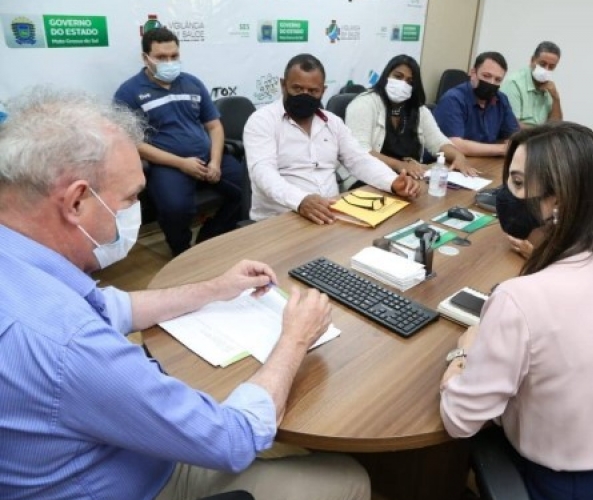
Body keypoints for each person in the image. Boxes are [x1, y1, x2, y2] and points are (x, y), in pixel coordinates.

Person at [0, 87, 370, 499]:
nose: (130, 215)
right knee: (348, 476)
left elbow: (112, 307)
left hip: (103, 452)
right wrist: (296, 338)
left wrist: (216, 288)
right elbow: (233, 440)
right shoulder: (69, 344)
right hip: (134, 480)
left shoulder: (18, 266)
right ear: (76, 202)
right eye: (129, 199)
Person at [440, 123, 593, 500]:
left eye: (516, 182)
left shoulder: (518, 299)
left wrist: (463, 352)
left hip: (575, 486)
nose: (503, 194)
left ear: (559, 200)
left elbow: (459, 420)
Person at [243, 53, 420, 224]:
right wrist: (301, 200)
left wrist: (392, 181)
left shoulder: (333, 122)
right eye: (297, 88)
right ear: (283, 85)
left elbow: (359, 160)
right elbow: (263, 173)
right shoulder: (262, 121)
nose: (305, 95)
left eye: (313, 91)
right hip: (280, 219)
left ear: (323, 91)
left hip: (331, 214)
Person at [114, 27, 244, 257]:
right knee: (174, 209)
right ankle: (182, 252)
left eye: (174, 56)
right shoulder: (129, 92)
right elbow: (133, 143)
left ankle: (212, 233)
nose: (169, 62)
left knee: (245, 187)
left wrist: (214, 161)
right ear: (146, 58)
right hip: (168, 164)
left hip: (208, 157)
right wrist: (181, 163)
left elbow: (214, 126)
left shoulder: (192, 83)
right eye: (161, 57)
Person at [346, 54, 477, 178]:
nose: (403, 84)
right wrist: (400, 166)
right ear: (386, 76)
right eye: (398, 77)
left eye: (409, 81)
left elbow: (439, 142)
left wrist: (459, 157)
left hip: (410, 178)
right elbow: (360, 152)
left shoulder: (419, 110)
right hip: (367, 179)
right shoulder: (364, 104)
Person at [433, 51, 520, 157]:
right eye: (486, 76)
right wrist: (502, 149)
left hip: (484, 161)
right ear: (473, 73)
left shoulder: (501, 99)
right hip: (449, 163)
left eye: (497, 80)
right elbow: (454, 144)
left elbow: (515, 136)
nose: (491, 83)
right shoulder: (453, 99)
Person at [500, 41, 563, 127]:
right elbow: (512, 125)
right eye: (543, 64)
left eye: (551, 67)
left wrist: (556, 98)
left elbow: (556, 126)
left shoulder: (549, 88)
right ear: (532, 60)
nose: (546, 69)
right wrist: (543, 135)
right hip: (518, 138)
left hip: (540, 137)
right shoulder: (514, 83)